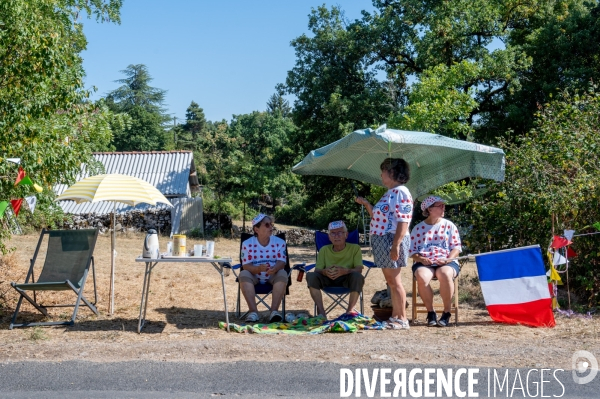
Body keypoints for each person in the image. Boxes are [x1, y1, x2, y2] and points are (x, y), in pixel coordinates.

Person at [355, 158, 413, 329]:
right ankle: (395, 316)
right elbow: (378, 216)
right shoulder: (389, 192)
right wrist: (366, 203)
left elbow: (403, 220)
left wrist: (396, 244)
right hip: (383, 239)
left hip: (391, 239)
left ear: (393, 172)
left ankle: (402, 319)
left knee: (395, 282)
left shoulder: (401, 192)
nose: (380, 174)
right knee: (390, 282)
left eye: (383, 171)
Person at [409, 196, 462, 327]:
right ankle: (431, 312)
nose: (444, 208)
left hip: (447, 260)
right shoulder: (418, 229)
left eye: (444, 205)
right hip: (424, 262)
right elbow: (412, 252)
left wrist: (447, 258)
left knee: (444, 274)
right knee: (421, 275)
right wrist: (421, 259)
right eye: (440, 206)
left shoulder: (449, 226)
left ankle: (446, 313)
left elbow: (456, 247)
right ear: (430, 209)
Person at [306, 220, 364, 317]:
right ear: (329, 237)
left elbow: (359, 269)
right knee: (311, 276)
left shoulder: (355, 248)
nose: (336, 236)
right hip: (327, 279)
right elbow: (317, 270)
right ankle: (321, 313)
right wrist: (325, 272)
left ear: (346, 235)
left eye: (340, 232)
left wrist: (345, 271)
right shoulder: (324, 249)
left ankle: (350, 311)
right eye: (333, 233)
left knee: (358, 276)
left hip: (347, 279)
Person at [239, 214, 288, 323]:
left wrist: (275, 269)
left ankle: (274, 312)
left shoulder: (279, 242)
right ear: (256, 229)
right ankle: (253, 312)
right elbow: (246, 265)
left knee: (283, 273)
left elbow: (282, 261)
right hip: (254, 276)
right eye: (267, 225)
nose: (271, 227)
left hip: (272, 275)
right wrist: (258, 269)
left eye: (271, 224)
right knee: (243, 274)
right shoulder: (247, 243)